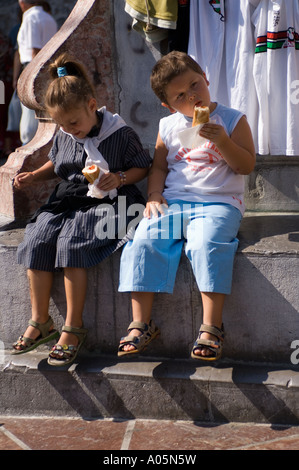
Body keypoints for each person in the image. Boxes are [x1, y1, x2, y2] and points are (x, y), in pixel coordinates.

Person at [12, 53, 151, 366]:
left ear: (91, 105)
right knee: (37, 236)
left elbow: (143, 167)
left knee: (71, 240)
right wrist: (34, 176)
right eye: (62, 125)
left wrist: (121, 177)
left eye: (74, 122)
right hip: (73, 196)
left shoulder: (120, 134)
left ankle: (73, 328)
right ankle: (40, 320)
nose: (70, 130)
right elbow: (58, 163)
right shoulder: (65, 133)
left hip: (115, 199)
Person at [118, 51, 256, 361]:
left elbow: (246, 165)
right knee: (143, 239)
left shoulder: (233, 120)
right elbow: (159, 168)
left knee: (207, 243)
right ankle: (141, 323)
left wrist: (222, 141)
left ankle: (211, 327)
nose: (192, 96)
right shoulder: (168, 126)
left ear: (206, 78)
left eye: (195, 85)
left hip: (220, 202)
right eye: (181, 95)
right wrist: (154, 195)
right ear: (168, 105)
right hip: (176, 202)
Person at [16, 0, 57, 145]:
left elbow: (35, 49)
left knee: (29, 113)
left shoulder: (30, 18)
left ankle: (28, 145)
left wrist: (33, 76)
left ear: (22, 3)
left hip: (33, 67)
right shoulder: (48, 17)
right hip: (48, 67)